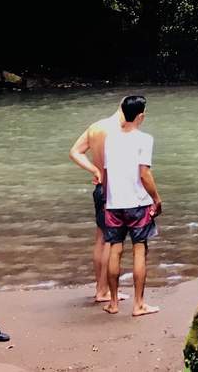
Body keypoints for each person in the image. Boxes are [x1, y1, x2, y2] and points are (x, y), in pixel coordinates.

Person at [102, 94, 163, 317]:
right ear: (141, 116)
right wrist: (156, 198)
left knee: (115, 250)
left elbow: (106, 173)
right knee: (140, 251)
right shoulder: (144, 139)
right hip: (137, 203)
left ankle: (114, 303)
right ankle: (138, 305)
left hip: (113, 202)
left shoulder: (110, 138)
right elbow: (144, 173)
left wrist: (107, 198)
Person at [69, 100, 125, 304]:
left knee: (101, 239)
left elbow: (74, 152)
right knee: (111, 240)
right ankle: (105, 291)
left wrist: (94, 169)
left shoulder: (96, 127)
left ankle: (100, 288)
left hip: (100, 187)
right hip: (115, 189)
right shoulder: (120, 131)